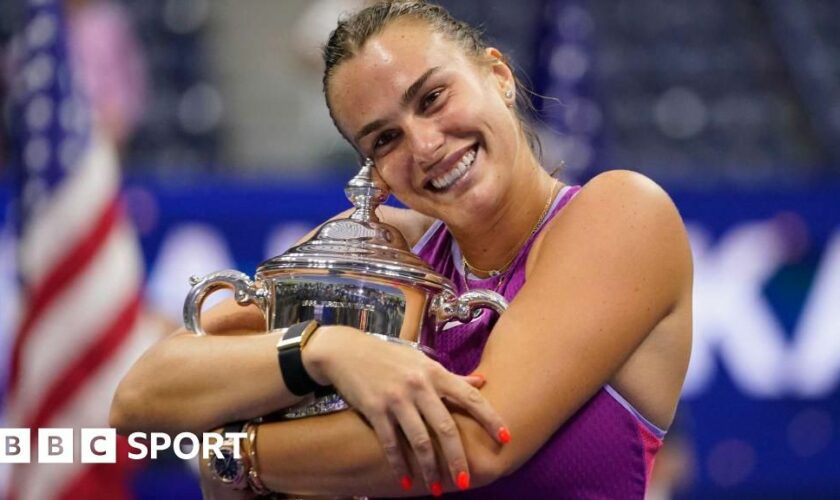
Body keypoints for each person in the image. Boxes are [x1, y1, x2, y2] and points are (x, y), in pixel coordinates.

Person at [110, 1, 693, 498]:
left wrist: (233, 456)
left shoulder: (622, 213)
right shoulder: (386, 251)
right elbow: (140, 395)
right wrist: (323, 349)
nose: (425, 144)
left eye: (433, 97)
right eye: (384, 138)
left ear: (499, 75)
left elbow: (476, 444)